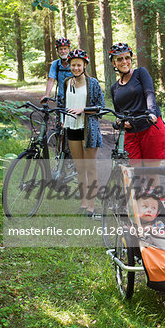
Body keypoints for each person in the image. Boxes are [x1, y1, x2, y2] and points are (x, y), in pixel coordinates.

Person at [109, 43, 165, 179]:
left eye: (127, 58)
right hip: (131, 134)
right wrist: (119, 121)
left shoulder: (140, 73)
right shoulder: (114, 88)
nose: (124, 62)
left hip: (150, 127)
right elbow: (119, 112)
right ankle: (137, 200)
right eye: (119, 59)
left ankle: (157, 200)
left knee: (151, 173)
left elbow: (149, 93)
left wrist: (152, 112)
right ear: (113, 63)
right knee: (136, 175)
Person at [62, 49, 105, 217]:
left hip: (89, 130)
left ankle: (92, 206)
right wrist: (61, 119)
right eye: (73, 65)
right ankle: (83, 203)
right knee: (79, 168)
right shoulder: (66, 82)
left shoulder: (92, 83)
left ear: (85, 65)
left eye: (79, 65)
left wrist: (84, 110)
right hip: (72, 128)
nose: (76, 68)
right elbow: (61, 102)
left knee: (90, 168)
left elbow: (101, 107)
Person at [41, 37, 73, 105]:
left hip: (74, 97)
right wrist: (47, 95)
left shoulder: (74, 63)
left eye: (65, 49)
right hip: (61, 98)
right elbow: (51, 80)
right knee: (58, 115)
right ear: (57, 51)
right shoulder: (55, 64)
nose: (63, 51)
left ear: (69, 49)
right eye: (60, 49)